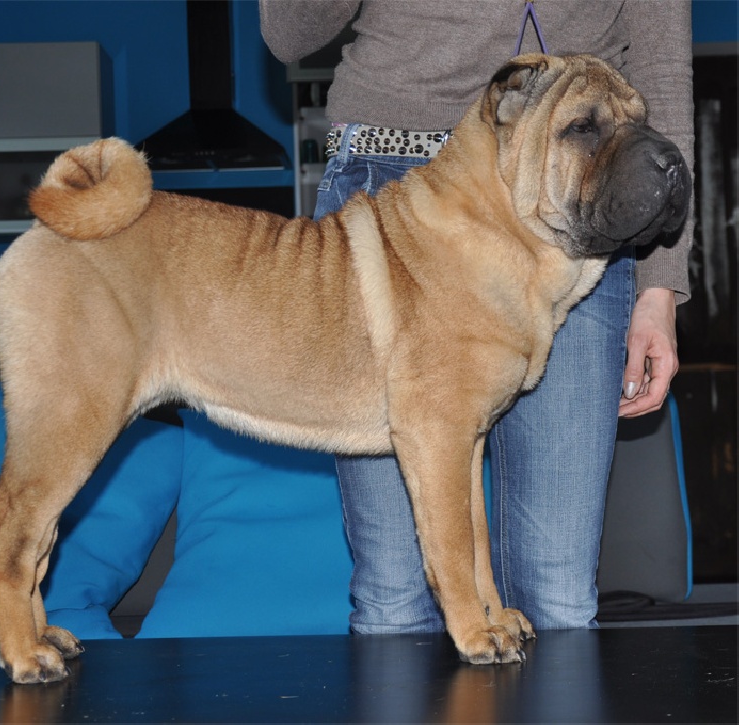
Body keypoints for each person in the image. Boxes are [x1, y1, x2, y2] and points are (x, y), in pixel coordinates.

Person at [260, 0, 693, 632]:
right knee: (395, 599)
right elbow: (288, 35)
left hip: (574, 197)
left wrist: (660, 287)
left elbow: (662, 66)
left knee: (557, 597)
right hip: (394, 169)